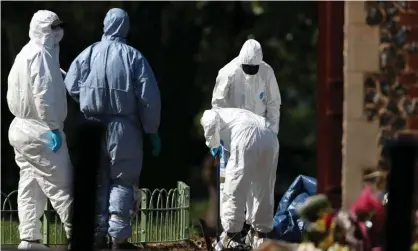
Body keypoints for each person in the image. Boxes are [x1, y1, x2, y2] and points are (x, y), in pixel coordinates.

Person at [64, 8, 161, 250]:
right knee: (122, 181)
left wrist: (86, 98)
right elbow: (148, 97)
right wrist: (152, 129)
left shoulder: (88, 54)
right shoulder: (134, 57)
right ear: (125, 26)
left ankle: (96, 236)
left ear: (105, 25)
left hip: (92, 125)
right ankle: (118, 239)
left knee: (96, 179)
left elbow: (71, 84)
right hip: (124, 128)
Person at [7, 10, 73, 250]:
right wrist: (54, 127)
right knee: (62, 186)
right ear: (43, 30)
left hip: (21, 130)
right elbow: (44, 95)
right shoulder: (41, 56)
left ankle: (29, 239)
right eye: (53, 28)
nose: (58, 32)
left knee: (30, 185)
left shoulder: (26, 53)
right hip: (41, 130)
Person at [211, 38, 281, 243]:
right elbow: (217, 108)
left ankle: (255, 232)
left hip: (260, 133)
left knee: (260, 184)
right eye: (247, 68)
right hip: (233, 136)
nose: (251, 71)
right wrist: (219, 140)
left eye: (254, 68)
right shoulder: (228, 73)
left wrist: (271, 133)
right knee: (232, 183)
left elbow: (274, 105)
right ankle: (231, 232)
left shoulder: (267, 73)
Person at [200, 108, 280, 249]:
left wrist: (213, 144)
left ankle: (231, 237)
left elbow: (210, 121)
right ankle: (259, 237)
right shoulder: (237, 115)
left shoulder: (211, 113)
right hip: (271, 137)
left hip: (247, 134)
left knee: (235, 184)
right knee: (263, 187)